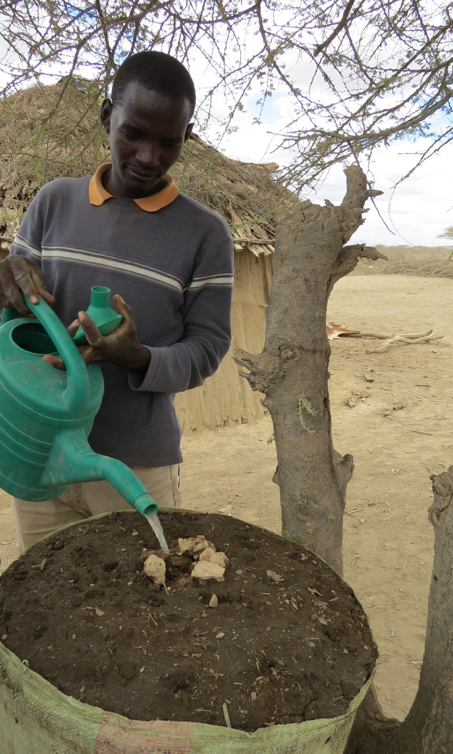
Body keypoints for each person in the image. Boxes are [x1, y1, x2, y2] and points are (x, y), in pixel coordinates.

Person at [0, 51, 234, 553]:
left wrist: (138, 357)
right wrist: (9, 281)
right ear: (108, 117)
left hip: (135, 468)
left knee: (139, 618)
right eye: (134, 133)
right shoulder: (52, 202)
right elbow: (16, 309)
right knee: (42, 613)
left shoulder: (206, 234)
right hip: (42, 451)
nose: (149, 156)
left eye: (169, 142)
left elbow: (209, 347)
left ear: (186, 139)